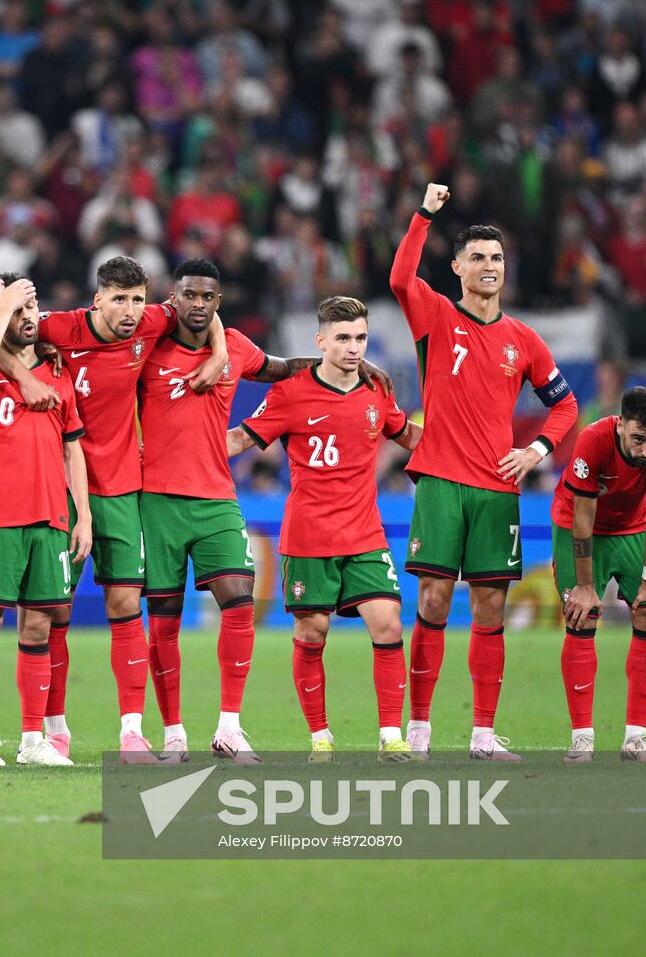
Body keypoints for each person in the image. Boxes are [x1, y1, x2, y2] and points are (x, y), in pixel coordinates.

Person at [0, 255, 227, 762]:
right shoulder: (62, 328)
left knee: (125, 606)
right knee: (51, 613)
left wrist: (219, 352)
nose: (132, 310)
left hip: (121, 491)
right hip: (62, 492)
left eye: (138, 299)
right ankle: (54, 729)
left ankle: (132, 732)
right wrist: (23, 378)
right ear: (98, 300)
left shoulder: (153, 321)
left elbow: (201, 310)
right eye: (119, 300)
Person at [390, 183, 579, 761]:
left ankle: (481, 736)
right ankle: (417, 732)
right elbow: (400, 278)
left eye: (496, 257)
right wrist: (423, 214)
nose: (489, 266)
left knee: (491, 609)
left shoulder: (523, 339)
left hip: (498, 490)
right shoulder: (435, 316)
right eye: (477, 257)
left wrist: (538, 450)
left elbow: (565, 405)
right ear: (457, 267)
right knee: (434, 604)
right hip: (443, 482)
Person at [228, 296, 423, 762]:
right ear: (320, 341)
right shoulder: (291, 393)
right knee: (313, 633)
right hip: (309, 535)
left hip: (364, 533)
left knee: (389, 623)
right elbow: (240, 439)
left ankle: (390, 736)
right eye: (343, 338)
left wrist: (461, 446)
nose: (354, 348)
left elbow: (406, 435)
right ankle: (321, 737)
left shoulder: (378, 390)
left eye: (360, 338)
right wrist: (176, 451)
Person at [138, 258, 301, 764]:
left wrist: (341, 365)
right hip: (155, 501)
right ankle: (173, 733)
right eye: (189, 294)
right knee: (164, 621)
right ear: (173, 296)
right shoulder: (146, 347)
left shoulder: (237, 350)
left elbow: (280, 370)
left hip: (216, 498)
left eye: (208, 297)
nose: (198, 304)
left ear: (218, 302)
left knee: (240, 600)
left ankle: (229, 726)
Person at [0, 274, 91, 767]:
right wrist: (20, 372)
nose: (29, 317)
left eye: (33, 305)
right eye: (16, 309)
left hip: (52, 518)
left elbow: (73, 450)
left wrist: (85, 518)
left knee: (38, 626)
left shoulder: (60, 373)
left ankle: (33, 740)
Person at [552, 387, 646, 764]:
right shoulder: (593, 441)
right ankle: (582, 737)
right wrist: (583, 586)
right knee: (582, 617)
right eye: (639, 439)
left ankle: (636, 738)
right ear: (620, 425)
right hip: (577, 526)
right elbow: (583, 516)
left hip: (632, 527)